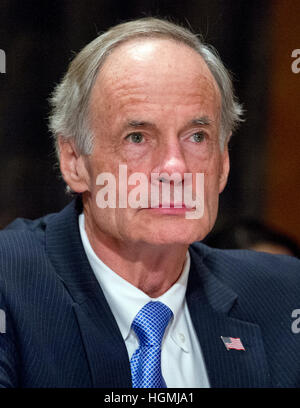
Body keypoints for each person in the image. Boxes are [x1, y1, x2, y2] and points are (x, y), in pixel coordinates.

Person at [0, 17, 299, 389]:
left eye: (196, 137)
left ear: (222, 164)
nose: (174, 168)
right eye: (138, 137)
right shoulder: (8, 286)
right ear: (74, 161)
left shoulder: (287, 295)